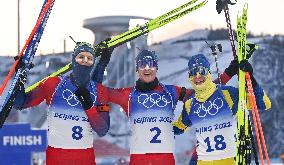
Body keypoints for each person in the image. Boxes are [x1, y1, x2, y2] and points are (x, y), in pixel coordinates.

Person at [104, 50, 236, 165]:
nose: (146, 68)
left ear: (157, 68)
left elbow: (203, 89)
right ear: (137, 69)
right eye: (142, 65)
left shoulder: (170, 92)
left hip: (165, 159)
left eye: (151, 64)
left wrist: (228, 73)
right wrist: (101, 62)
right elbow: (98, 92)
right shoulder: (127, 94)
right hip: (139, 159)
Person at [13, 42, 113, 165]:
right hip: (57, 158)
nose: (85, 61)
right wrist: (19, 75)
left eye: (89, 58)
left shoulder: (101, 92)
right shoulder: (52, 84)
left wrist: (89, 107)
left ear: (93, 63)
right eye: (81, 57)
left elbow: (103, 130)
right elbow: (20, 103)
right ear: (73, 60)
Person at [173, 54, 271, 165]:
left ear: (208, 73)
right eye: (193, 72)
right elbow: (178, 128)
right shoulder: (190, 104)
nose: (197, 76)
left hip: (229, 159)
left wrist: (251, 79)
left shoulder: (227, 94)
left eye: (202, 71)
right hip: (202, 161)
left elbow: (263, 103)